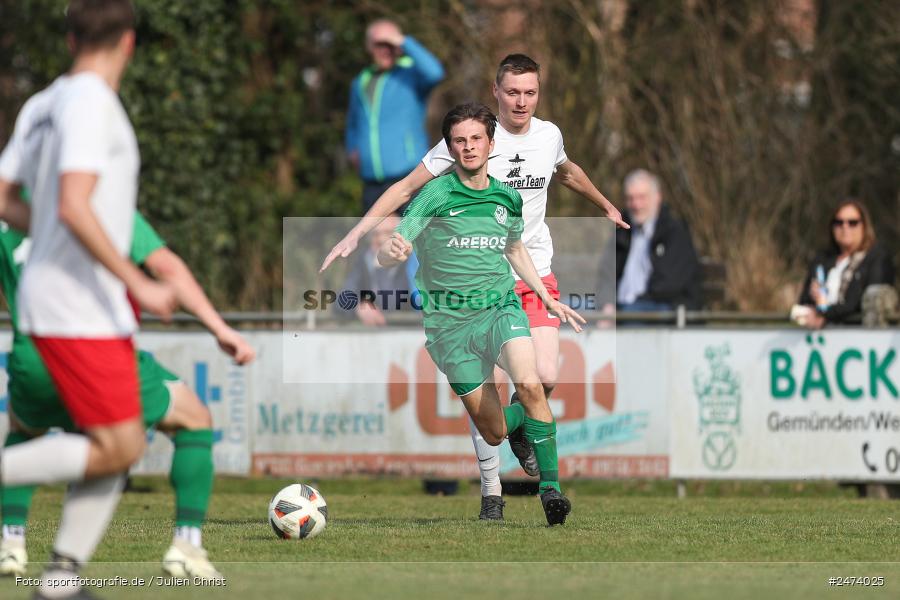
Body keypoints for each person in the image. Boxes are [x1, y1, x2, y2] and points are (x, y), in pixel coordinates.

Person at [323, 54, 627, 521]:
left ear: (538, 93)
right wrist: (359, 232)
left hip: (531, 269)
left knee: (543, 378)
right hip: (471, 284)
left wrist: (604, 204)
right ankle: (492, 492)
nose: (521, 101)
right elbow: (406, 189)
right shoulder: (471, 137)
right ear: (496, 91)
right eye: (513, 92)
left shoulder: (549, 136)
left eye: (530, 92)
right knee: (493, 400)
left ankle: (528, 443)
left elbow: (567, 171)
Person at [0, 2, 178, 597]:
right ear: (128, 42)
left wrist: (51, 232)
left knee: (120, 444)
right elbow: (75, 205)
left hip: (73, 304)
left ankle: (62, 579)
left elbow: (4, 197)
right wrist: (137, 280)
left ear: (71, 39)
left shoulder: (42, 103)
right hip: (76, 307)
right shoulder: (91, 104)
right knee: (121, 445)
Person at [0, 208, 256, 580]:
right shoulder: (98, 203)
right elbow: (166, 267)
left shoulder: (11, 214)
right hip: (94, 352)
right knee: (191, 419)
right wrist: (220, 328)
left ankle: (12, 545)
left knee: (25, 430)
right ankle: (186, 546)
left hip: (32, 358)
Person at [379, 102, 585, 526]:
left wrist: (545, 297)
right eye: (460, 140)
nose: (469, 147)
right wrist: (390, 251)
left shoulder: (507, 196)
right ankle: (520, 425)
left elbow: (515, 249)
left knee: (530, 384)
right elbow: (395, 244)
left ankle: (551, 491)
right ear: (450, 147)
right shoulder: (435, 195)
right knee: (494, 430)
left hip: (500, 306)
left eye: (476, 139)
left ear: (491, 144)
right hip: (450, 326)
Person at [345, 19, 445, 213]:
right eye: (379, 44)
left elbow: (436, 73)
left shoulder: (411, 75)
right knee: (374, 234)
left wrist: (403, 41)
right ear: (369, 46)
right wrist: (352, 149)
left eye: (389, 44)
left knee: (411, 232)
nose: (385, 50)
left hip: (410, 178)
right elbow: (353, 122)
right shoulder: (360, 81)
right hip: (371, 182)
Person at [599, 169, 702, 315]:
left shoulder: (674, 232)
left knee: (630, 314)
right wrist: (607, 304)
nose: (636, 205)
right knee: (571, 306)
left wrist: (624, 308)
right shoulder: (622, 231)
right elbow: (606, 274)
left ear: (657, 197)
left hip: (661, 308)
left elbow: (668, 285)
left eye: (642, 197)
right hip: (619, 307)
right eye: (630, 198)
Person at [795, 199, 894, 328]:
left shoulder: (878, 258)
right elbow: (803, 303)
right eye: (839, 222)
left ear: (864, 226)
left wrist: (825, 315)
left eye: (852, 222)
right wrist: (812, 296)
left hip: (858, 334)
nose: (845, 227)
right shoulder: (821, 260)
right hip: (818, 336)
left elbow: (865, 302)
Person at [336, 214, 416, 325]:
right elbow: (341, 299)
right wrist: (358, 306)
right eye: (375, 234)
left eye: (388, 233)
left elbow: (391, 305)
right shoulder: (365, 259)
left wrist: (382, 267)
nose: (381, 239)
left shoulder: (414, 260)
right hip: (377, 333)